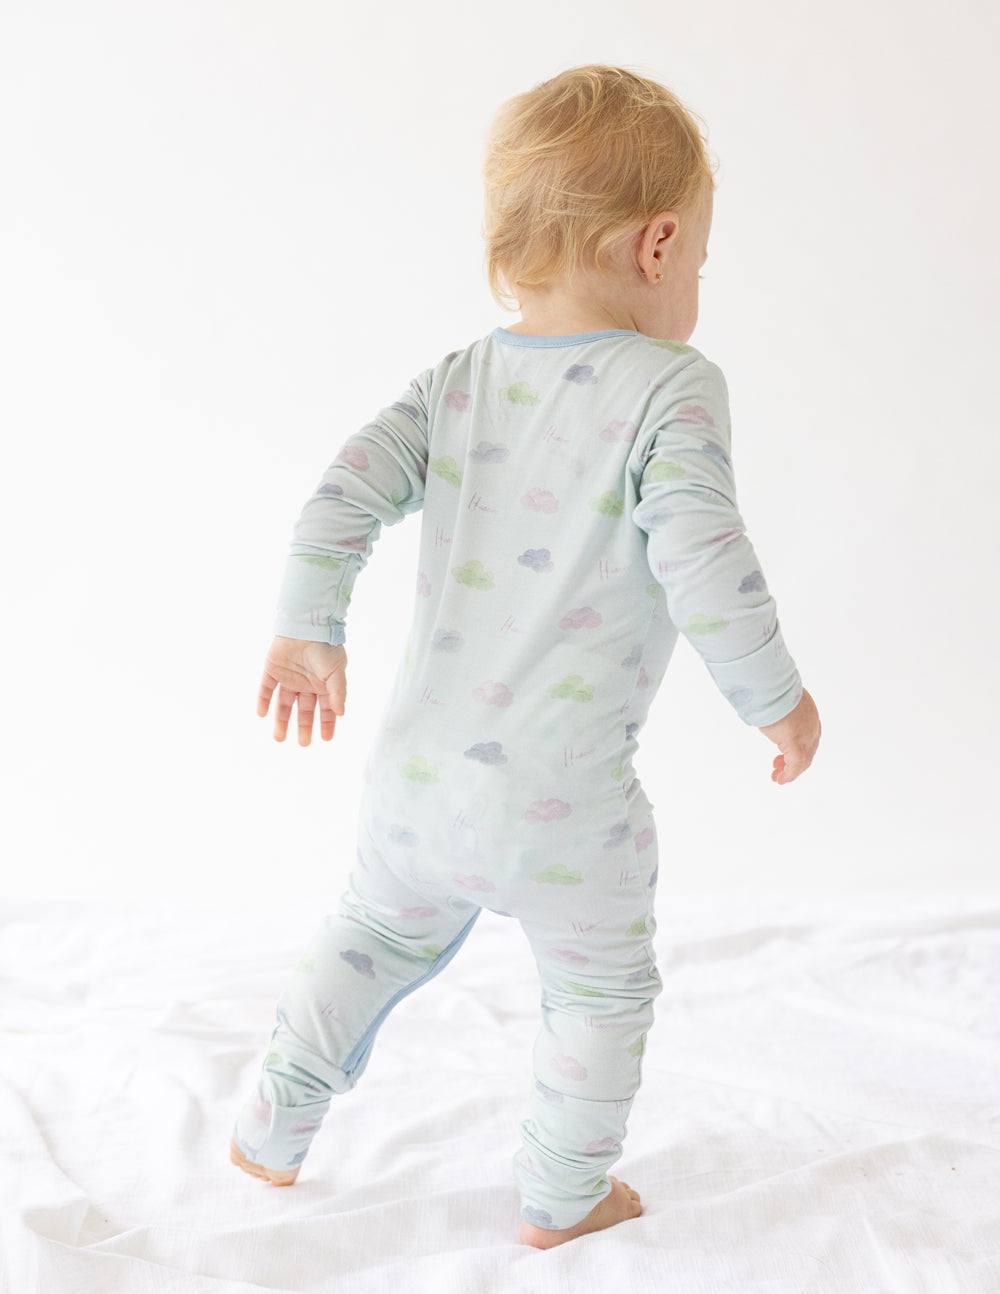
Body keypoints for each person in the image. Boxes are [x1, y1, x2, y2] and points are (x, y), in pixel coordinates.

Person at [229, 63, 821, 1249]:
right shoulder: (671, 388)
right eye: (700, 262)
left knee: (369, 935)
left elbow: (340, 494)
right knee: (599, 990)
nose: (695, 283)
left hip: (414, 784)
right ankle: (563, 1191)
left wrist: (309, 626)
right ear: (658, 245)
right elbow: (704, 556)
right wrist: (776, 697)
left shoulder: (454, 382)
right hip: (565, 807)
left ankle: (270, 1126)